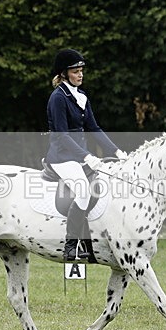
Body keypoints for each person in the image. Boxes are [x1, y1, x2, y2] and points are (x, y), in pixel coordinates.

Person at [46, 49, 127, 261]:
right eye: (75, 71)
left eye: (81, 70)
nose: (80, 74)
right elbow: (63, 135)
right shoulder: (58, 98)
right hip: (62, 157)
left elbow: (94, 128)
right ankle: (71, 245)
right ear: (64, 74)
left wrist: (116, 151)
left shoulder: (81, 96)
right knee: (83, 190)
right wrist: (86, 156)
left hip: (78, 155)